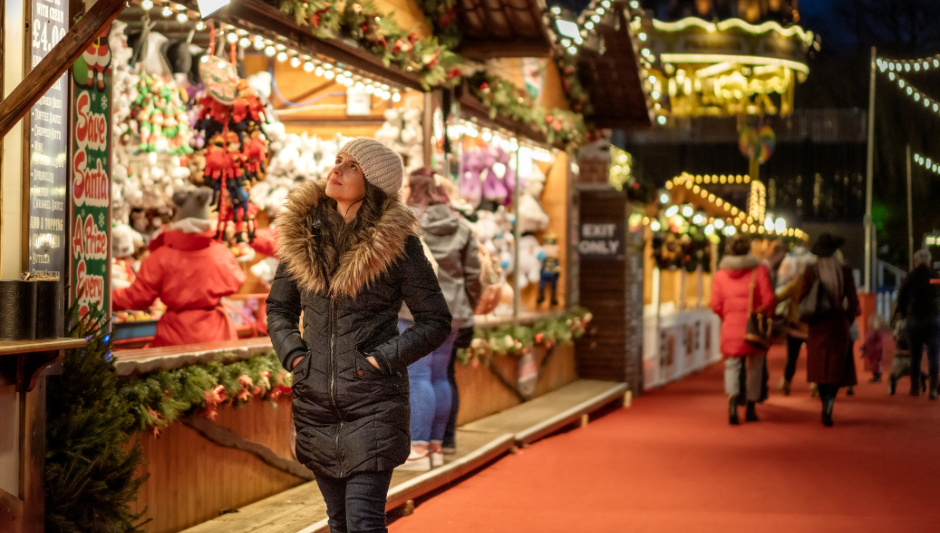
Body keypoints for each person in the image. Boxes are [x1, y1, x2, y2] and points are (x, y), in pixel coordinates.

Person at [266, 138, 452, 533]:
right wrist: (296, 358)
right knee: (337, 522)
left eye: (351, 166)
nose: (336, 170)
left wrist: (380, 360)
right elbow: (279, 309)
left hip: (374, 403)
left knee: (364, 521)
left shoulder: (398, 246)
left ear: (375, 183)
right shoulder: (303, 239)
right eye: (337, 161)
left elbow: (435, 321)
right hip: (315, 403)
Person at [398, 168, 482, 470]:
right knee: (439, 376)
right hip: (453, 311)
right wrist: (466, 307)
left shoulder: (405, 222)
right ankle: (435, 446)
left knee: (418, 376)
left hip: (414, 311)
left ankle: (417, 450)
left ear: (413, 189)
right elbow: (474, 275)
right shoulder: (461, 225)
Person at [113, 187, 246, 347]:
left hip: (175, 338)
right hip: (217, 337)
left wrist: (104, 298)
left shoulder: (160, 257)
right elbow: (237, 282)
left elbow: (137, 298)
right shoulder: (222, 254)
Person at [710, 234, 775, 425]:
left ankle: (732, 404)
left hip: (731, 327)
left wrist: (728, 316)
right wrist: (760, 313)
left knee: (732, 366)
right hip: (753, 327)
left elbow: (715, 304)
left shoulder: (720, 274)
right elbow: (769, 299)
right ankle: (751, 408)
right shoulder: (758, 270)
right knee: (755, 367)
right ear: (748, 250)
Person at [801, 234, 860, 426]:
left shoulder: (811, 271)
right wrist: (847, 319)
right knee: (836, 367)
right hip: (838, 324)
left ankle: (823, 400)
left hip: (817, 325)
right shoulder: (845, 271)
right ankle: (830, 402)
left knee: (818, 367)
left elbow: (802, 297)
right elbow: (853, 302)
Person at [896, 248, 940, 399]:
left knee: (915, 355)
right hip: (933, 319)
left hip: (914, 318)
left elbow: (901, 296)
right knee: (934, 355)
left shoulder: (911, 277)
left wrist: (904, 313)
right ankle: (933, 390)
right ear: (929, 261)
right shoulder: (935, 276)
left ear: (915, 262)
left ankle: (915, 388)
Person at [775, 244, 815, 395]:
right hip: (811, 327)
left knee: (791, 358)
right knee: (813, 359)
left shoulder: (796, 284)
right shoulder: (816, 285)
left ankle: (786, 382)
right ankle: (815, 385)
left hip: (795, 326)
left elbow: (780, 296)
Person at [860, 314, 888, 383]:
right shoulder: (872, 331)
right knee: (873, 364)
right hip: (872, 351)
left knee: (876, 364)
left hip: (876, 351)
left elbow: (880, 341)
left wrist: (876, 347)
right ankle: (875, 375)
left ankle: (878, 376)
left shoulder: (878, 332)